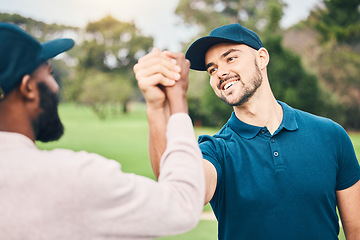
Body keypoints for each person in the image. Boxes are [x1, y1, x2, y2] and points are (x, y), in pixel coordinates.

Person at [135, 23, 360, 240]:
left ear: (261, 58)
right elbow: (184, 189)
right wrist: (156, 107)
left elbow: (356, 230)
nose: (220, 73)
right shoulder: (215, 150)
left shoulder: (331, 135)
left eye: (230, 58)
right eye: (212, 69)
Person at [0, 22, 205, 239]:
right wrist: (177, 98)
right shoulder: (72, 177)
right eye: (49, 73)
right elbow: (182, 205)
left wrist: (155, 106)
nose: (55, 86)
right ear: (28, 88)